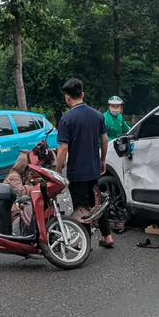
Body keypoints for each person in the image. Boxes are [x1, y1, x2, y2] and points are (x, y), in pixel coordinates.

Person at [56, 78, 115, 249]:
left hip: (77, 172)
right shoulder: (97, 115)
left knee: (81, 207)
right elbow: (105, 140)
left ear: (67, 98)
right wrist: (102, 160)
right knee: (97, 202)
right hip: (94, 169)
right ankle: (107, 236)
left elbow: (63, 149)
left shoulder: (66, 119)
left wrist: (57, 171)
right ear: (82, 94)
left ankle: (85, 242)